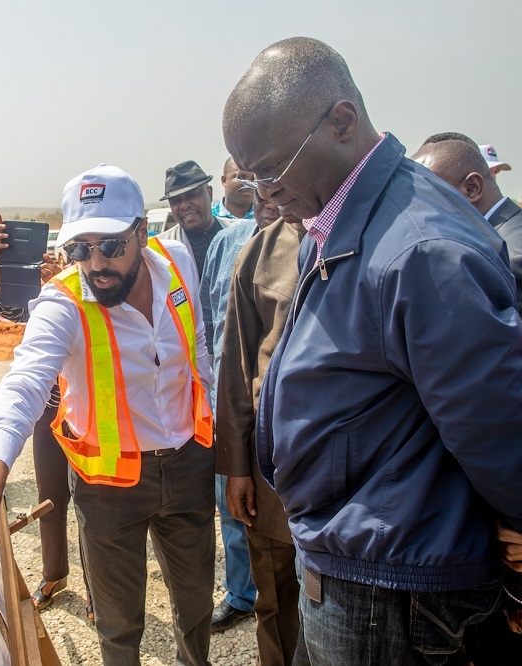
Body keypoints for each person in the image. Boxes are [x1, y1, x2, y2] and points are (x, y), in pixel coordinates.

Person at [222, 36, 522, 664]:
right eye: (251, 177)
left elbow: (503, 425)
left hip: (394, 591)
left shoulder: (417, 247)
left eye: (271, 170)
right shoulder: (344, 217)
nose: (264, 193)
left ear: (342, 122)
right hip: (363, 565)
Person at [0, 164, 217, 666]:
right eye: (80, 248)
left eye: (110, 246)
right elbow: (21, 387)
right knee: (118, 624)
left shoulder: (177, 264)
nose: (96, 263)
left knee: (194, 607)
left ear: (141, 233)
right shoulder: (62, 304)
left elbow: (203, 357)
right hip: (109, 490)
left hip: (190, 465)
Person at [159, 159, 258, 631]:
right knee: (217, 499)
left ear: (207, 192)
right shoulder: (162, 253)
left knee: (248, 493)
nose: (185, 206)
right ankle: (240, 592)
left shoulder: (240, 238)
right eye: (176, 200)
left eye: (191, 195)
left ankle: (259, 587)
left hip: (237, 386)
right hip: (187, 393)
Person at [216, 190, 305, 666]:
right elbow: (236, 366)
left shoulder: (379, 232)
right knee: (276, 604)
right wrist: (236, 468)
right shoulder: (261, 251)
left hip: (360, 490)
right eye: (259, 177)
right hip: (273, 480)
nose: (269, 189)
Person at [0, 216, 92, 618]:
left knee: (89, 502)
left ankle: (98, 587)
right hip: (50, 410)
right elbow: (8, 311)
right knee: (52, 496)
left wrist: (64, 284)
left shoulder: (96, 275)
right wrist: (8, 270)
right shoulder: (45, 279)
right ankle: (54, 572)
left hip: (89, 412)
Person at [412, 139, 522, 396]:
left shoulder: (514, 259)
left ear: (471, 188)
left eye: (429, 196)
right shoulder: (516, 227)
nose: (418, 211)